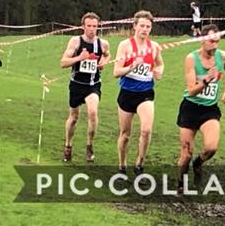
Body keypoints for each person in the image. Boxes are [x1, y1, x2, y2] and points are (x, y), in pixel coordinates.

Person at [176, 26, 225, 192]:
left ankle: (198, 163)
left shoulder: (222, 57)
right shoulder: (191, 59)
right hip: (190, 108)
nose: (214, 45)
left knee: (211, 147)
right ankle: (181, 182)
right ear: (202, 40)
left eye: (217, 41)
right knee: (186, 153)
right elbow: (192, 90)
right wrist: (206, 81)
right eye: (211, 41)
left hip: (209, 109)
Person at [114, 10, 164, 176]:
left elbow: (160, 64)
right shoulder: (125, 46)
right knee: (125, 134)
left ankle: (139, 165)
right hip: (127, 93)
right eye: (142, 26)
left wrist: (158, 71)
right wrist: (131, 66)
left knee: (146, 130)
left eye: (148, 27)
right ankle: (122, 165)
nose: (145, 29)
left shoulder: (154, 47)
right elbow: (116, 72)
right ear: (134, 26)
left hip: (146, 93)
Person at [61, 12, 111, 163]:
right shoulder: (75, 42)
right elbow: (63, 62)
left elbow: (107, 55)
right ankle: (68, 146)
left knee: (93, 112)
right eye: (89, 26)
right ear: (83, 26)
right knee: (73, 118)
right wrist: (79, 58)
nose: (92, 29)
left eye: (94, 26)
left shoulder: (103, 43)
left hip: (92, 85)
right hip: (76, 85)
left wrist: (103, 61)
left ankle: (89, 146)